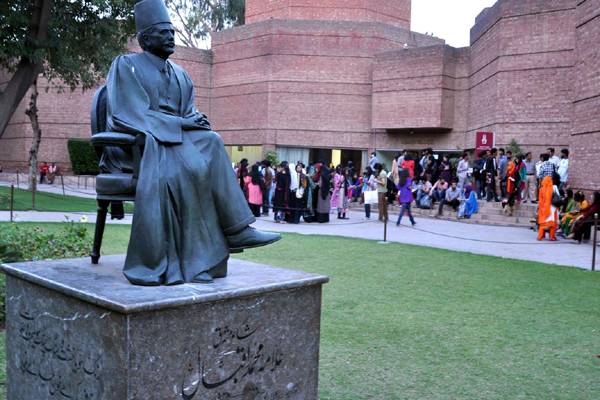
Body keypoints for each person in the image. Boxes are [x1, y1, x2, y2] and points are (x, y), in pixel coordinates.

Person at [101, 0, 280, 285]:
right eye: (164, 32)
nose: (171, 37)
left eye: (172, 31)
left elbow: (189, 113)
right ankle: (199, 261)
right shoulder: (126, 66)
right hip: (142, 145)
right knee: (194, 168)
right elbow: (127, 112)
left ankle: (238, 228)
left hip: (177, 141)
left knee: (212, 139)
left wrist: (196, 121)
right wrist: (182, 124)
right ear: (146, 38)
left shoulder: (181, 75)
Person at [537, 176, 559, 241]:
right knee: (552, 223)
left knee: (543, 223)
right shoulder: (553, 188)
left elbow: (540, 200)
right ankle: (551, 237)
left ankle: (540, 236)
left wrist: (541, 207)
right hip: (552, 208)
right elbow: (557, 197)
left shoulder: (541, 189)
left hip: (543, 208)